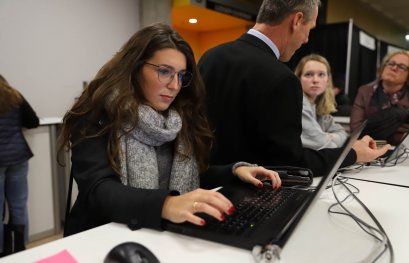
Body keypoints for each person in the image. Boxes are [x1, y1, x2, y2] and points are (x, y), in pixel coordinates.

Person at [58, 23, 282, 237]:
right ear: (135, 68)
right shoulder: (97, 113)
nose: (175, 85)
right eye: (164, 72)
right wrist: (167, 204)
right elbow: (98, 190)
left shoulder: (176, 119)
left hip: (159, 235)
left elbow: (189, 177)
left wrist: (233, 172)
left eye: (181, 75)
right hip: (102, 237)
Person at [198, 0, 389, 177]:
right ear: (297, 20)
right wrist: (353, 154)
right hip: (248, 194)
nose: (306, 39)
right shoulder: (281, 78)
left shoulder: (210, 56)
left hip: (203, 187)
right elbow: (291, 163)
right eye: (309, 29)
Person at [0, 74, 39, 256]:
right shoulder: (15, 96)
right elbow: (33, 121)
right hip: (18, 158)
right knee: (18, 206)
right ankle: (20, 250)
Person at [350, 50, 409, 145]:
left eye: (401, 67)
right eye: (391, 63)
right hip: (368, 148)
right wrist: (396, 127)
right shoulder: (364, 91)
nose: (394, 68)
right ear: (383, 67)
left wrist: (375, 128)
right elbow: (356, 129)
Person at [294, 54, 348, 150]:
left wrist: (327, 137)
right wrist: (327, 139)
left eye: (321, 75)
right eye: (308, 74)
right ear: (298, 79)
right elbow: (321, 144)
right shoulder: (298, 103)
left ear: (327, 80)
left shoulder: (317, 105)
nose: (315, 80)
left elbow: (342, 133)